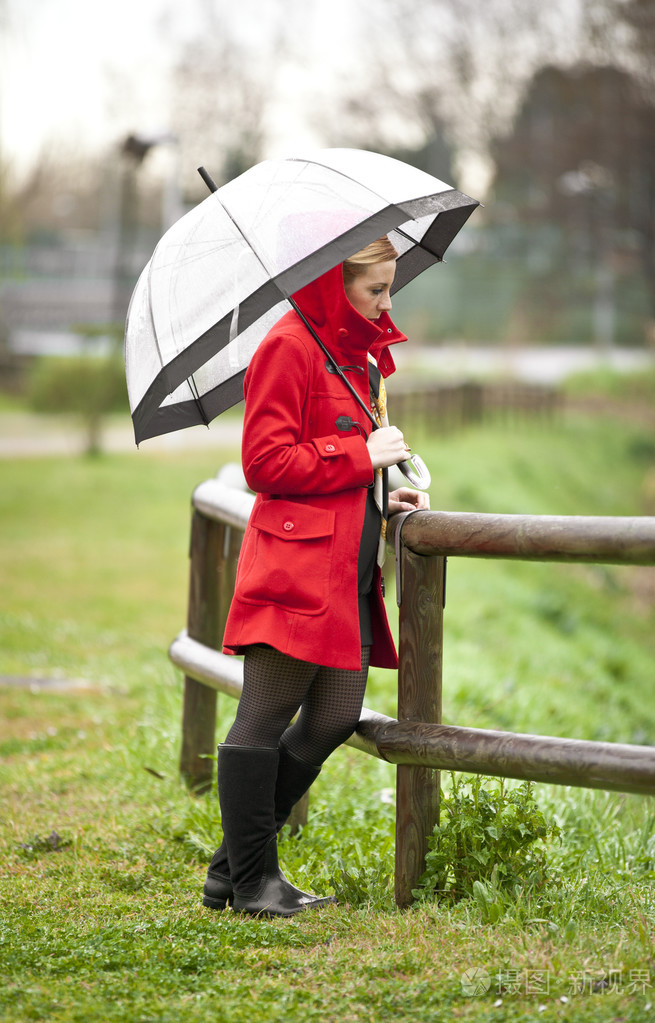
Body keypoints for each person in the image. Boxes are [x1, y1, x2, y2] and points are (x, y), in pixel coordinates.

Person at [202, 235, 429, 917]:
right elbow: (265, 464)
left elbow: (333, 469)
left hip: (348, 576)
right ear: (336, 283)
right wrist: (360, 454)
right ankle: (253, 884)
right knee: (263, 717)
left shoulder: (357, 358)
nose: (387, 302)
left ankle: (231, 869)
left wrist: (379, 498)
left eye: (391, 288)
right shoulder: (289, 345)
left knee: (332, 715)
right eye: (375, 290)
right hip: (296, 570)